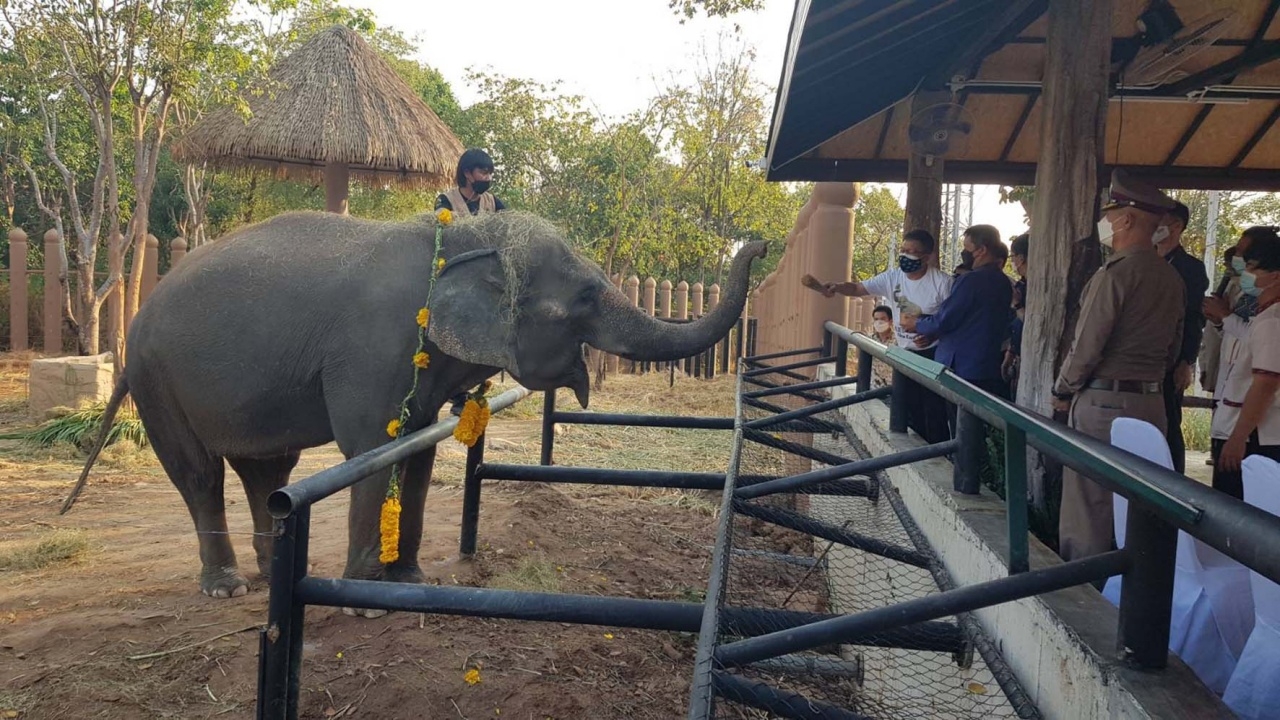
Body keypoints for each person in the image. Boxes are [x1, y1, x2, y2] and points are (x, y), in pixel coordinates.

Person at [1051, 169, 1185, 562]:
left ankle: (1081, 594)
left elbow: (1087, 345)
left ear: (1126, 218)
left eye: (1110, 212)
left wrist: (1062, 390)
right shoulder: (1171, 277)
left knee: (1089, 506)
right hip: (1150, 402)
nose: (1105, 221)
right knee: (1137, 505)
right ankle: (1137, 589)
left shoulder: (1116, 273)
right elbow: (1174, 346)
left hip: (1103, 401)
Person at [821, 229, 953, 443]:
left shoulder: (943, 283)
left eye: (912, 252)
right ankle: (916, 451)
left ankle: (939, 452)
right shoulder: (893, 278)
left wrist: (932, 334)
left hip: (934, 355)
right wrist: (837, 287)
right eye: (903, 250)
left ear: (927, 256)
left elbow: (952, 320)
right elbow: (857, 288)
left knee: (934, 411)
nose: (905, 255)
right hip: (905, 354)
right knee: (910, 409)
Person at [901, 225, 1013, 402]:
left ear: (981, 250)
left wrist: (917, 324)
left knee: (958, 423)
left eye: (967, 249)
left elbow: (946, 319)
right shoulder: (1003, 281)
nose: (964, 254)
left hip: (961, 366)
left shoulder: (971, 281)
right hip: (987, 364)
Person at [1209, 227, 1280, 498]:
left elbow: (1265, 383)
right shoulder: (1265, 315)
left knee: (1239, 512)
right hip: (1242, 425)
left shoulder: (1273, 320)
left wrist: (1238, 437)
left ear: (1275, 276)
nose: (1246, 273)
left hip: (1255, 436)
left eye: (1252, 267)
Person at [437, 148, 506, 415]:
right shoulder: (445, 201)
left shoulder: (493, 202)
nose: (487, 177)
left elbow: (510, 227)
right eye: (483, 172)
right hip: (453, 280)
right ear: (467, 173)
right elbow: (441, 231)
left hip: (487, 282)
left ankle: (470, 386)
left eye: (490, 173)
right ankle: (455, 392)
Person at [1153, 200, 1209, 474]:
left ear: (1176, 227)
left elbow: (1193, 318)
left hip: (1172, 360)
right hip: (1144, 358)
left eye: (1160, 221)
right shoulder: (1145, 260)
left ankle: (1175, 487)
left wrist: (1187, 360)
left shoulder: (1190, 268)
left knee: (1169, 422)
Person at [1199, 246, 1240, 402]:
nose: (1228, 269)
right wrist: (1205, 366)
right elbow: (1210, 333)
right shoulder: (1228, 286)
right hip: (1217, 364)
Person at [1003, 233, 1029, 395]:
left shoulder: (1039, 287)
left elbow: (1033, 324)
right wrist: (1010, 353)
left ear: (1021, 258)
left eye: (1012, 257)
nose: (1012, 261)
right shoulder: (1021, 285)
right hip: (1017, 355)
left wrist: (1017, 304)